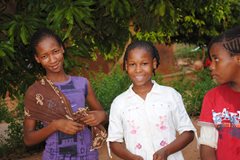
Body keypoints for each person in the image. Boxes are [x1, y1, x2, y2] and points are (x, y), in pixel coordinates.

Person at [23, 28, 107, 160]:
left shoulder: (82, 83)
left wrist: (99, 116)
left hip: (87, 155)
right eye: (44, 56)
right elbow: (28, 139)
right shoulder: (36, 92)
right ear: (37, 58)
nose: (52, 60)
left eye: (55, 52)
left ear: (62, 49)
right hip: (55, 156)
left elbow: (103, 116)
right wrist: (55, 125)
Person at [107, 41, 196, 160]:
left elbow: (188, 132)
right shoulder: (119, 103)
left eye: (144, 63)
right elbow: (114, 141)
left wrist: (166, 151)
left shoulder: (170, 95)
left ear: (153, 64)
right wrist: (132, 157)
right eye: (133, 64)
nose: (138, 69)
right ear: (126, 66)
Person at [198, 26, 240, 160]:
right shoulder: (212, 97)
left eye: (216, 59)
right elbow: (207, 143)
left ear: (238, 59)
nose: (211, 66)